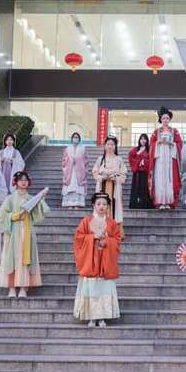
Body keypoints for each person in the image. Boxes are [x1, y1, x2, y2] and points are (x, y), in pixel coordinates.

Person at [0, 171, 50, 298]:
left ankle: (23, 288)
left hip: (27, 231)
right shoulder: (10, 199)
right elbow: (2, 216)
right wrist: (16, 215)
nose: (23, 182)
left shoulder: (31, 198)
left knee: (25, 259)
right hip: (13, 232)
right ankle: (11, 288)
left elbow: (39, 214)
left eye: (25, 180)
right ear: (16, 182)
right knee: (12, 259)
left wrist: (41, 198)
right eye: (21, 180)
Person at [72, 192, 121, 328]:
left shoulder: (112, 223)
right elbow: (78, 238)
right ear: (93, 205)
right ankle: (92, 317)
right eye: (98, 204)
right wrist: (92, 238)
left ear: (108, 206)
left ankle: (103, 316)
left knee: (104, 288)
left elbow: (117, 240)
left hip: (105, 261)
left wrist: (107, 241)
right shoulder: (86, 221)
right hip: (91, 261)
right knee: (91, 288)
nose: (101, 206)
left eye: (104, 204)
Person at [148, 107, 183, 210]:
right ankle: (160, 202)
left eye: (167, 118)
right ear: (160, 119)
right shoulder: (156, 132)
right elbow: (151, 145)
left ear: (169, 119)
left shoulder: (174, 131)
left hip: (170, 159)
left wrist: (172, 143)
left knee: (169, 179)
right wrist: (158, 142)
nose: (165, 120)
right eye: (163, 118)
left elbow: (179, 144)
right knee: (159, 179)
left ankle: (169, 202)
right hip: (159, 159)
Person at [93, 136, 128, 234]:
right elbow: (95, 172)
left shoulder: (119, 159)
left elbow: (123, 174)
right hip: (103, 186)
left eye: (112, 144)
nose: (110, 146)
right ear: (105, 146)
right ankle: (101, 231)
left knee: (114, 206)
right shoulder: (100, 159)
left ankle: (114, 231)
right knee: (101, 205)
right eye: (108, 144)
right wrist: (101, 177)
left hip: (114, 186)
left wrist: (116, 178)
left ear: (115, 146)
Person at [62, 132, 87, 209]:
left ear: (79, 139)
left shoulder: (83, 149)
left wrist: (78, 160)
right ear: (72, 139)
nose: (75, 139)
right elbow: (64, 159)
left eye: (77, 137)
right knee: (70, 186)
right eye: (74, 137)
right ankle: (69, 203)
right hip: (70, 170)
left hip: (79, 170)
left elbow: (85, 160)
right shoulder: (67, 148)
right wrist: (70, 160)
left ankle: (78, 203)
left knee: (77, 187)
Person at [128, 133, 152, 209]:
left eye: (145, 139)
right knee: (137, 189)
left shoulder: (149, 150)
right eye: (141, 139)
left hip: (145, 173)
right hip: (137, 173)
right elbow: (131, 158)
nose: (143, 140)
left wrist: (144, 161)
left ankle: (145, 204)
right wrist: (139, 161)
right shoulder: (135, 149)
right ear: (139, 140)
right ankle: (136, 204)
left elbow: (151, 160)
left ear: (147, 140)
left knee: (145, 188)